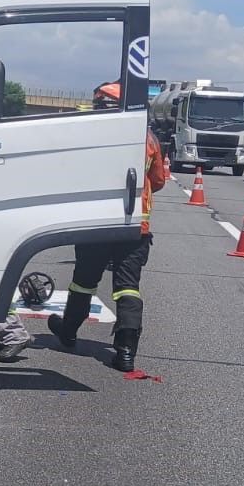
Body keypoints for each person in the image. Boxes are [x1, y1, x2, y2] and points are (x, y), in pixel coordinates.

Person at [48, 81, 168, 371]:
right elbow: (160, 180)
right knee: (128, 287)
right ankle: (125, 351)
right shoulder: (148, 138)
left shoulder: (91, 135)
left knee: (83, 281)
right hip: (134, 228)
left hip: (96, 225)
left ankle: (68, 332)